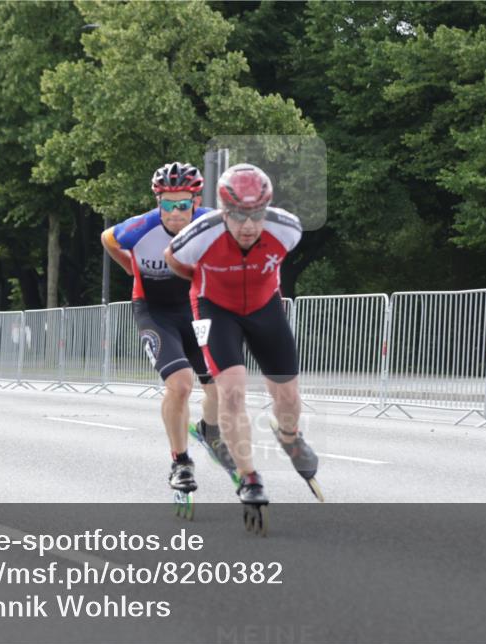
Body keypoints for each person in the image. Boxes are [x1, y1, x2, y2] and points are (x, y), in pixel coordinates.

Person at [164, 163, 321, 517]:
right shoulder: (199, 235)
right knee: (232, 392)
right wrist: (203, 277)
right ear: (223, 210)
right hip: (214, 307)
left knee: (287, 394)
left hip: (265, 306)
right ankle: (249, 477)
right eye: (237, 215)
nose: (248, 225)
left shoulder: (288, 229)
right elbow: (173, 261)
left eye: (256, 214)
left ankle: (290, 435)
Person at [101, 162, 236, 499]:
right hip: (155, 312)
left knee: (218, 386)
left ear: (196, 201)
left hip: (197, 311)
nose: (175, 213)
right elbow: (107, 238)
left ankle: (208, 430)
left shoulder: (213, 224)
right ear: (157, 201)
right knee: (180, 385)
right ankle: (180, 462)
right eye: (167, 204)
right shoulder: (140, 229)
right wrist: (134, 270)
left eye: (182, 204)